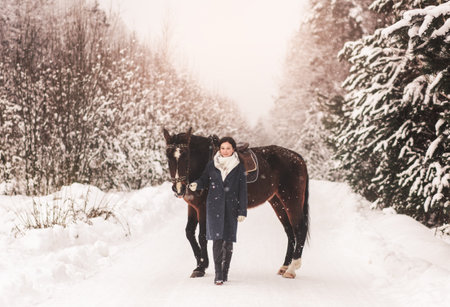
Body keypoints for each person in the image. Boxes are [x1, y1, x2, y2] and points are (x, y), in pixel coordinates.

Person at [189, 136, 247, 285]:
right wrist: (197, 184)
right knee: (216, 240)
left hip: (231, 207)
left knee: (228, 241)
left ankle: (225, 271)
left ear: (233, 149)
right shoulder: (211, 165)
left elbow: (243, 190)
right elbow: (204, 180)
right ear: (219, 150)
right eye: (222, 148)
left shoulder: (239, 166)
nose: (225, 151)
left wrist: (242, 211)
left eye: (228, 148)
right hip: (214, 207)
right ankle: (218, 273)